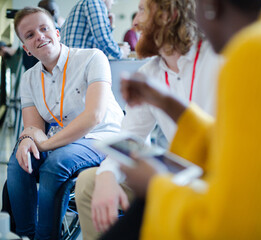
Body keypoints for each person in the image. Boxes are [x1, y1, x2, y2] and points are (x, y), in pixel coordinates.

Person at [101, 0, 261, 239]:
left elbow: (234, 231)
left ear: (212, 6)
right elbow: (252, 151)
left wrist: (155, 186)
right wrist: (171, 105)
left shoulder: (260, 51)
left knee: (147, 206)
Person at [74, 0, 222, 239]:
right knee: (89, 182)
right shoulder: (149, 73)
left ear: (169, 15)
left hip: (218, 179)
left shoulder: (217, 58)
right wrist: (108, 175)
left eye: (142, 10)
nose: (134, 22)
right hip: (174, 174)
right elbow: (129, 135)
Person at [6, 7, 124, 239]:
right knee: (18, 162)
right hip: (63, 139)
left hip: (100, 136)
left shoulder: (91, 57)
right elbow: (34, 127)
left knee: (56, 163)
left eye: (44, 28)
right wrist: (27, 140)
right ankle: (25, 235)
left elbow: (94, 117)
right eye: (29, 35)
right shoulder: (30, 78)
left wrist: (44, 144)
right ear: (25, 48)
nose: (39, 36)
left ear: (57, 33)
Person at [60, 0, 130, 60]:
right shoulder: (95, 2)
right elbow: (103, 38)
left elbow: (101, 47)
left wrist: (110, 27)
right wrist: (121, 52)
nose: (113, 3)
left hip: (72, 64)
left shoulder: (82, 5)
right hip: (79, 64)